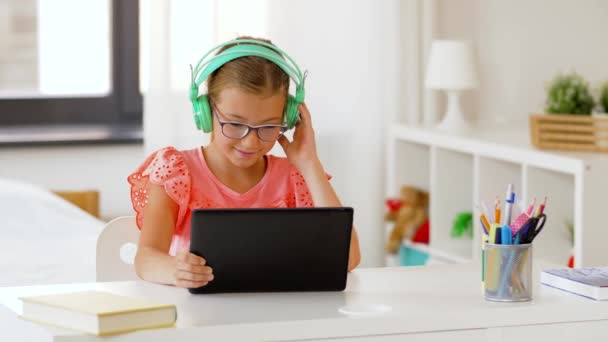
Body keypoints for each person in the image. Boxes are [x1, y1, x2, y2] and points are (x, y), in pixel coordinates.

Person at [128, 36, 360, 288]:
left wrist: (309, 164)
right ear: (204, 112)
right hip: (199, 319)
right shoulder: (176, 172)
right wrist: (175, 270)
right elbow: (146, 259)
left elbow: (348, 259)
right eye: (236, 124)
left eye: (269, 126)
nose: (250, 143)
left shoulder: (295, 177)